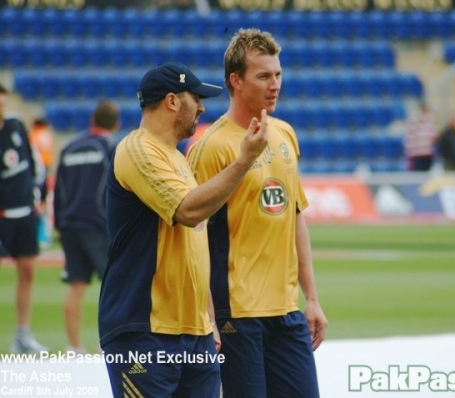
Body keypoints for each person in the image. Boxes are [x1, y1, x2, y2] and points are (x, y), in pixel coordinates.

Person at [97, 62, 268, 397]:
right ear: (173, 101)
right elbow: (189, 212)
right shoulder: (138, 150)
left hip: (193, 332)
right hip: (144, 328)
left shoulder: (176, 158)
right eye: (196, 98)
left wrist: (206, 316)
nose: (202, 107)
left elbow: (193, 243)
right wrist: (244, 160)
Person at [186, 28, 328, 398]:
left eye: (278, 74)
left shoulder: (285, 134)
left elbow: (296, 217)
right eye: (263, 75)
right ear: (236, 80)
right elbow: (192, 235)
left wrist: (311, 298)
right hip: (238, 314)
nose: (274, 84)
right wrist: (207, 315)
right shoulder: (211, 147)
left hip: (287, 311)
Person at [53, 101, 120, 354]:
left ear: (92, 120)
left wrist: (59, 223)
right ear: (116, 124)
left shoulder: (69, 147)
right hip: (99, 225)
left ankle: (73, 347)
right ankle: (110, 345)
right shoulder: (110, 146)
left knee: (76, 285)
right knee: (113, 288)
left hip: (69, 225)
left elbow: (58, 189)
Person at [0, 83, 48, 354]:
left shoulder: (16, 126)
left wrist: (39, 195)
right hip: (2, 215)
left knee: (28, 273)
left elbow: (35, 163)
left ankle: (22, 334)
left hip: (24, 213)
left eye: (3, 104)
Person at [29, 117, 54, 247]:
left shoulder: (34, 134)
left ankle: (39, 234)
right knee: (45, 203)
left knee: (37, 204)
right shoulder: (47, 135)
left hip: (37, 171)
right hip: (45, 169)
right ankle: (45, 234)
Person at [404, 102, 438, 171]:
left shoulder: (431, 122)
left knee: (427, 175)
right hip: (417, 155)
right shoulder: (414, 121)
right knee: (418, 174)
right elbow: (409, 138)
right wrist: (410, 155)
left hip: (428, 155)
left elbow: (434, 138)